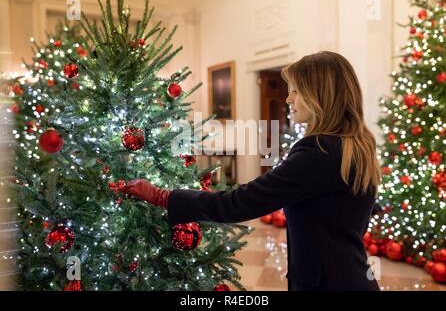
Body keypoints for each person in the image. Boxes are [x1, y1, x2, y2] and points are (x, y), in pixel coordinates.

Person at [124, 51, 381, 291]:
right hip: (352, 276)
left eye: (296, 91)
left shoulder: (318, 152)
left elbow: (241, 203)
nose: (288, 98)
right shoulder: (356, 145)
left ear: (320, 95)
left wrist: (162, 197)